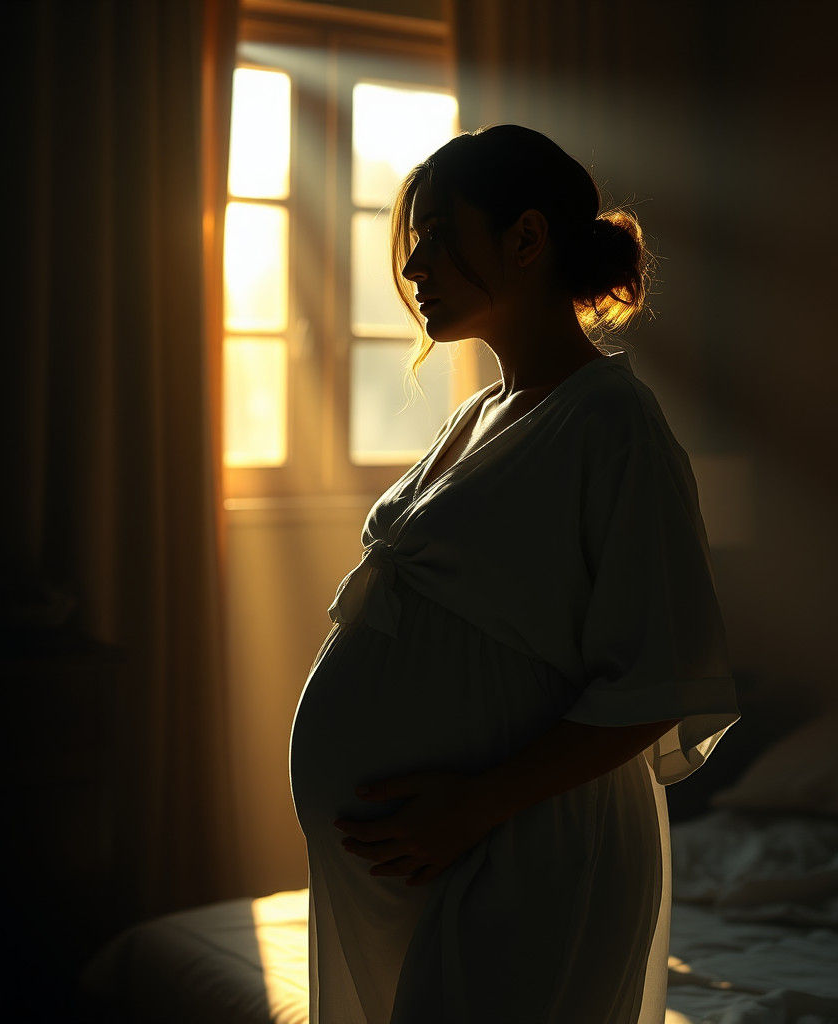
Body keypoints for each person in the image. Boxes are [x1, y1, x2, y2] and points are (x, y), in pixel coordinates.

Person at [288, 124, 741, 1024]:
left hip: (534, 855)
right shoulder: (484, 411)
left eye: (437, 235)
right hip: (458, 857)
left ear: (526, 239)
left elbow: (660, 682)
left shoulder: (614, 424)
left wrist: (471, 808)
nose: (415, 266)